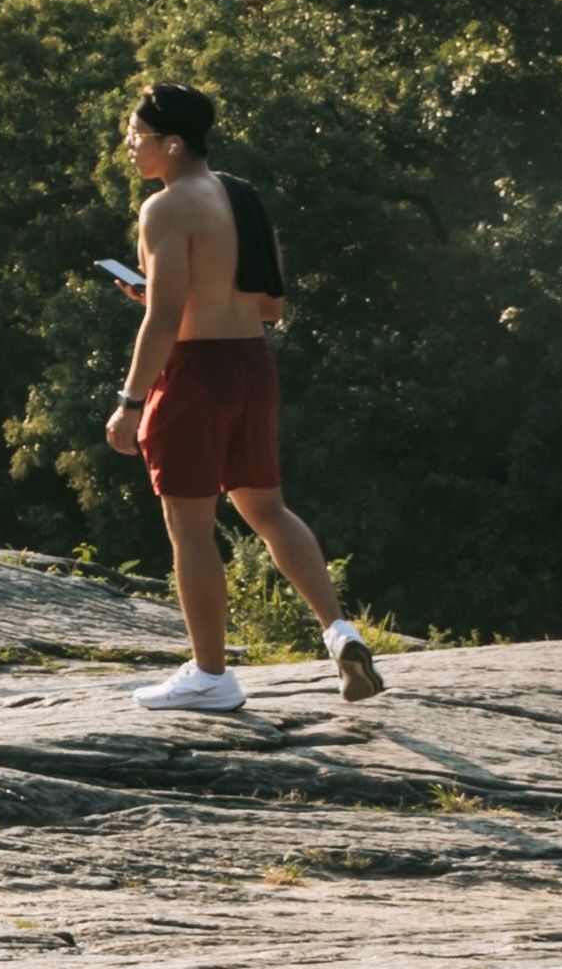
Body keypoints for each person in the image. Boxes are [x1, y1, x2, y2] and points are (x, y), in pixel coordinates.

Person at [104, 81, 382, 712]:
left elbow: (167, 315)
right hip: (253, 367)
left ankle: (211, 676)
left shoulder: (166, 207)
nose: (129, 146)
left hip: (197, 375)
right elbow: (273, 307)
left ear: (173, 144)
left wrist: (132, 400)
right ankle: (340, 632)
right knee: (269, 510)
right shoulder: (244, 196)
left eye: (137, 135)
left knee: (191, 533)